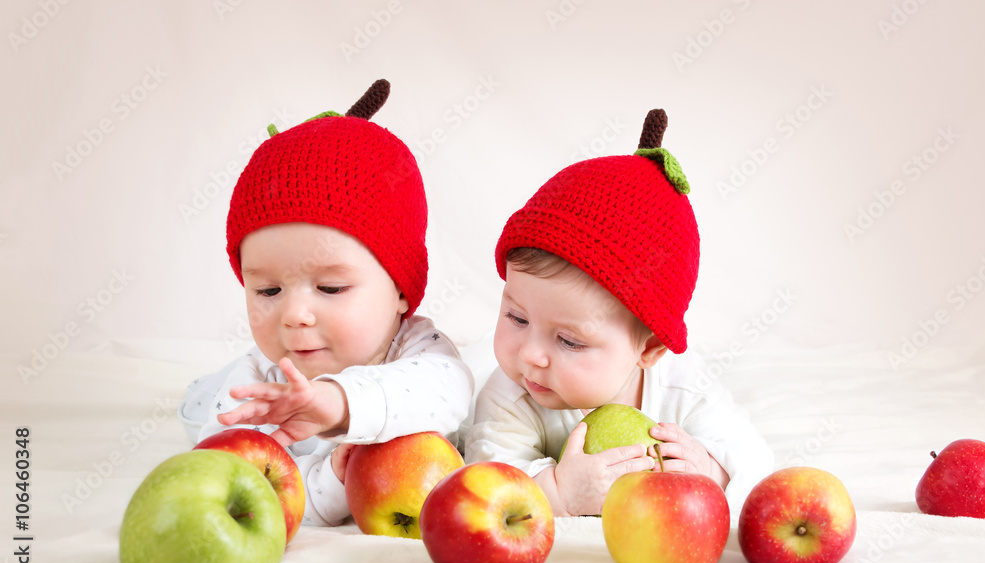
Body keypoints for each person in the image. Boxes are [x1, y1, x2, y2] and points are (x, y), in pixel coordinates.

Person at [178, 81, 473, 527]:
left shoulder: (420, 350)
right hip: (212, 398)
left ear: (400, 291)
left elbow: (449, 393)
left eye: (331, 288)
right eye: (268, 291)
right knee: (202, 402)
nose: (294, 315)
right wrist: (335, 482)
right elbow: (246, 494)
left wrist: (336, 403)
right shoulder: (257, 384)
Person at [464, 109, 773, 519]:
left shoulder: (684, 391)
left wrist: (712, 471)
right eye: (517, 318)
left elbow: (759, 467)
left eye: (570, 340)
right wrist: (559, 494)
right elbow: (487, 477)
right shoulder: (511, 393)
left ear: (649, 349)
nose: (530, 355)